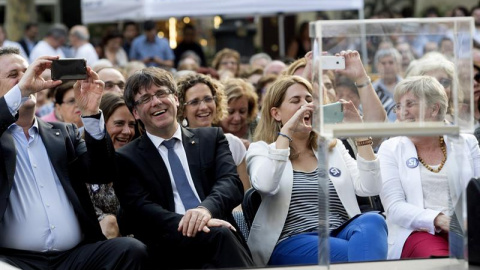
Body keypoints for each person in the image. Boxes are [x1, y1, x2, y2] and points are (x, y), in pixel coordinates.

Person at [0, 47, 147, 269]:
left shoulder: (63, 133)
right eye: (14, 75)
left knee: (131, 250)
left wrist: (90, 113)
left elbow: (102, 173)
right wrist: (19, 91)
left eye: (28, 71)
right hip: (15, 260)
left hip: (75, 256)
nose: (27, 80)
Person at [246, 50, 388, 266]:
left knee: (373, 221)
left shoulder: (333, 147)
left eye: (309, 99)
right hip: (292, 240)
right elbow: (265, 185)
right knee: (359, 251)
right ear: (276, 113)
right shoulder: (262, 150)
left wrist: (360, 133)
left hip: (341, 232)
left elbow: (370, 187)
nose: (307, 105)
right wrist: (287, 133)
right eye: (296, 101)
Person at [115, 67, 254, 269]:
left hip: (216, 231)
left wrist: (205, 211)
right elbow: (141, 210)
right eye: (145, 99)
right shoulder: (126, 157)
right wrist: (192, 223)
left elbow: (230, 184)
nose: (156, 102)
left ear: (176, 99)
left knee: (221, 238)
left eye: (161, 93)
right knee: (221, 236)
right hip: (168, 244)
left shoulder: (211, 138)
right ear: (135, 112)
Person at [378, 75, 480, 259]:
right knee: (444, 263)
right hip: (418, 232)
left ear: (434, 109)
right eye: (399, 106)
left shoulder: (467, 142)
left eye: (410, 104)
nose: (402, 112)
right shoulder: (390, 148)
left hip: (468, 230)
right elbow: (394, 207)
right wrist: (438, 219)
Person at [176, 73, 250, 193]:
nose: (204, 107)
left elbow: (246, 196)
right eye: (194, 102)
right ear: (182, 110)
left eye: (208, 99)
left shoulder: (233, 143)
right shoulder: (176, 147)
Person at [86, 92, 136, 239]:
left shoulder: (139, 161)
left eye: (132, 124)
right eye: (119, 123)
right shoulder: (82, 161)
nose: (127, 131)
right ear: (101, 124)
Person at [219, 78, 259, 149]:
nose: (237, 118)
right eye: (230, 112)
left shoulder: (258, 125)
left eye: (242, 111)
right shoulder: (209, 128)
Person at [372, 48, 403, 121]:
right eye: (383, 63)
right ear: (377, 66)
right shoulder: (372, 90)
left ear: (398, 65)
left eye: (391, 62)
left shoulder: (406, 87)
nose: (387, 66)